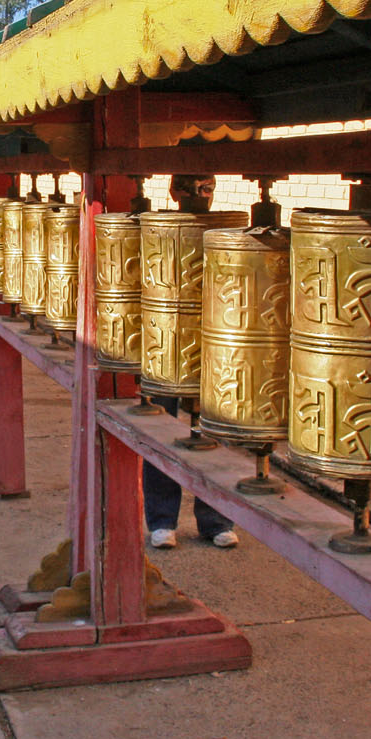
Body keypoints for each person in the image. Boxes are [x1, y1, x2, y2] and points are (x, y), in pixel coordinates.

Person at [144, 173, 238, 550]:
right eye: (190, 186)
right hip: (166, 345)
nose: (201, 194)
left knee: (213, 434)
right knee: (161, 431)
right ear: (173, 191)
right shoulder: (160, 231)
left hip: (213, 346)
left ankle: (216, 519)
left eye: (207, 187)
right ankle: (162, 519)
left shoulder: (225, 232)